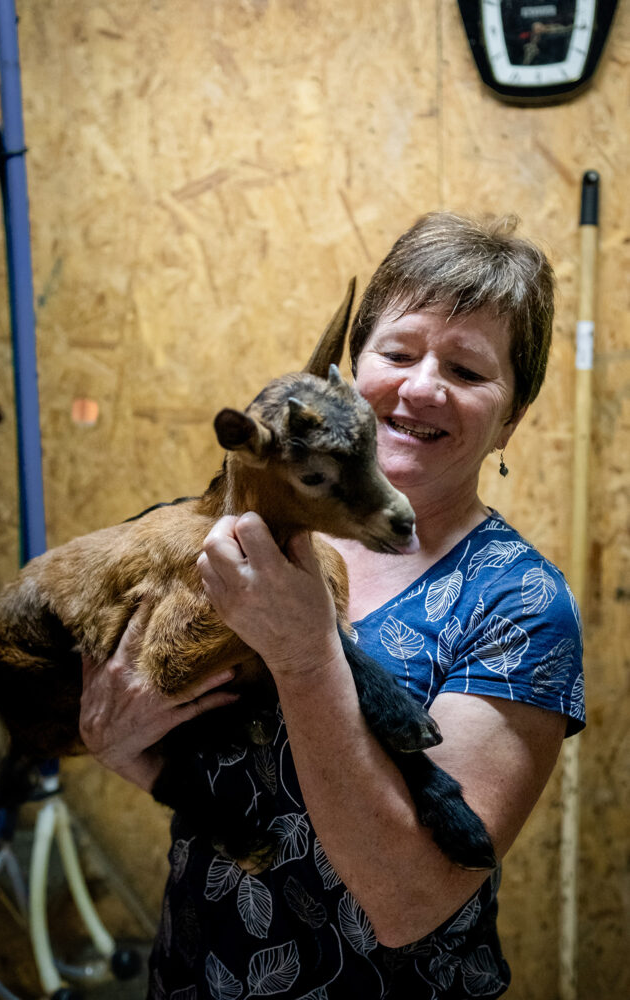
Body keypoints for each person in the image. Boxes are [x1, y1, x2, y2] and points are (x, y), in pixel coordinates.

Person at [79, 212, 585, 999]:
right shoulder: (239, 540)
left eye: (467, 370)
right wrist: (119, 746)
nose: (421, 386)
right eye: (396, 352)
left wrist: (307, 655)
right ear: (345, 380)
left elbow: (411, 901)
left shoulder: (518, 606)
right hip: (196, 974)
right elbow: (234, 797)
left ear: (509, 421)